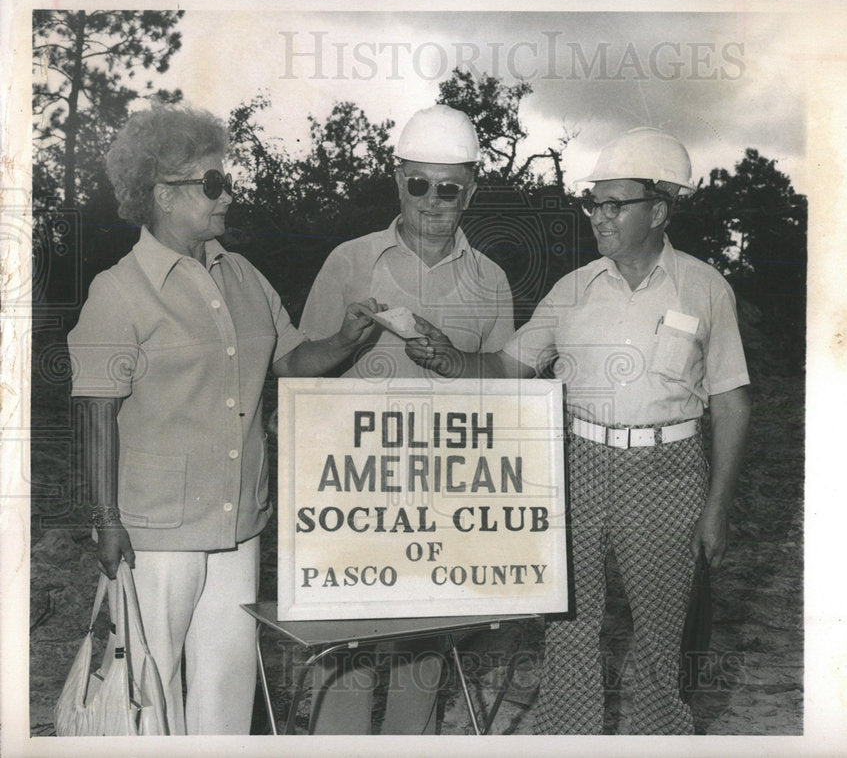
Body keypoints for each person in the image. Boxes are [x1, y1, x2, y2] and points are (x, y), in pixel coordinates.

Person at [404, 127, 751, 734]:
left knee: (661, 629)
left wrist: (717, 507)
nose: (599, 217)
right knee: (567, 622)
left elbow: (732, 402)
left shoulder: (705, 288)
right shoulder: (573, 289)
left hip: (668, 474)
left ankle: (658, 737)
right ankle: (568, 736)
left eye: (615, 204)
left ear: (659, 211)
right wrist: (450, 359)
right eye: (594, 204)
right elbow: (508, 366)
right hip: (581, 463)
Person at [67, 103, 381, 735]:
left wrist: (346, 340)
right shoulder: (118, 290)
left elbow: (291, 360)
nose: (229, 194)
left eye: (226, 179)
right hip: (154, 530)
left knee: (228, 684)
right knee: (145, 689)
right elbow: (97, 414)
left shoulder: (243, 275)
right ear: (162, 194)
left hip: (239, 522)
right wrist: (106, 520)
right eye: (213, 182)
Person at [300, 104, 515, 734]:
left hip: (442, 495)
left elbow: (504, 394)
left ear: (470, 191)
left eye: (448, 188)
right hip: (350, 491)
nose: (432, 201)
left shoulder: (492, 281)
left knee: (424, 652)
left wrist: (459, 365)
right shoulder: (349, 261)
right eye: (419, 183)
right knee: (344, 649)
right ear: (397, 179)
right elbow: (302, 370)